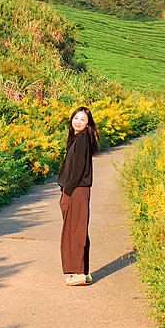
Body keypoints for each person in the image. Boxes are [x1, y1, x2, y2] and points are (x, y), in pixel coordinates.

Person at [58, 106, 99, 286]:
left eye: (82, 119)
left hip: (76, 190)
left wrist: (68, 190)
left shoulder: (81, 140)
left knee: (75, 231)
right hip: (77, 190)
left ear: (88, 123)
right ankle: (84, 271)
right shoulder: (79, 138)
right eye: (76, 118)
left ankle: (80, 273)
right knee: (78, 230)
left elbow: (77, 170)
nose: (78, 122)